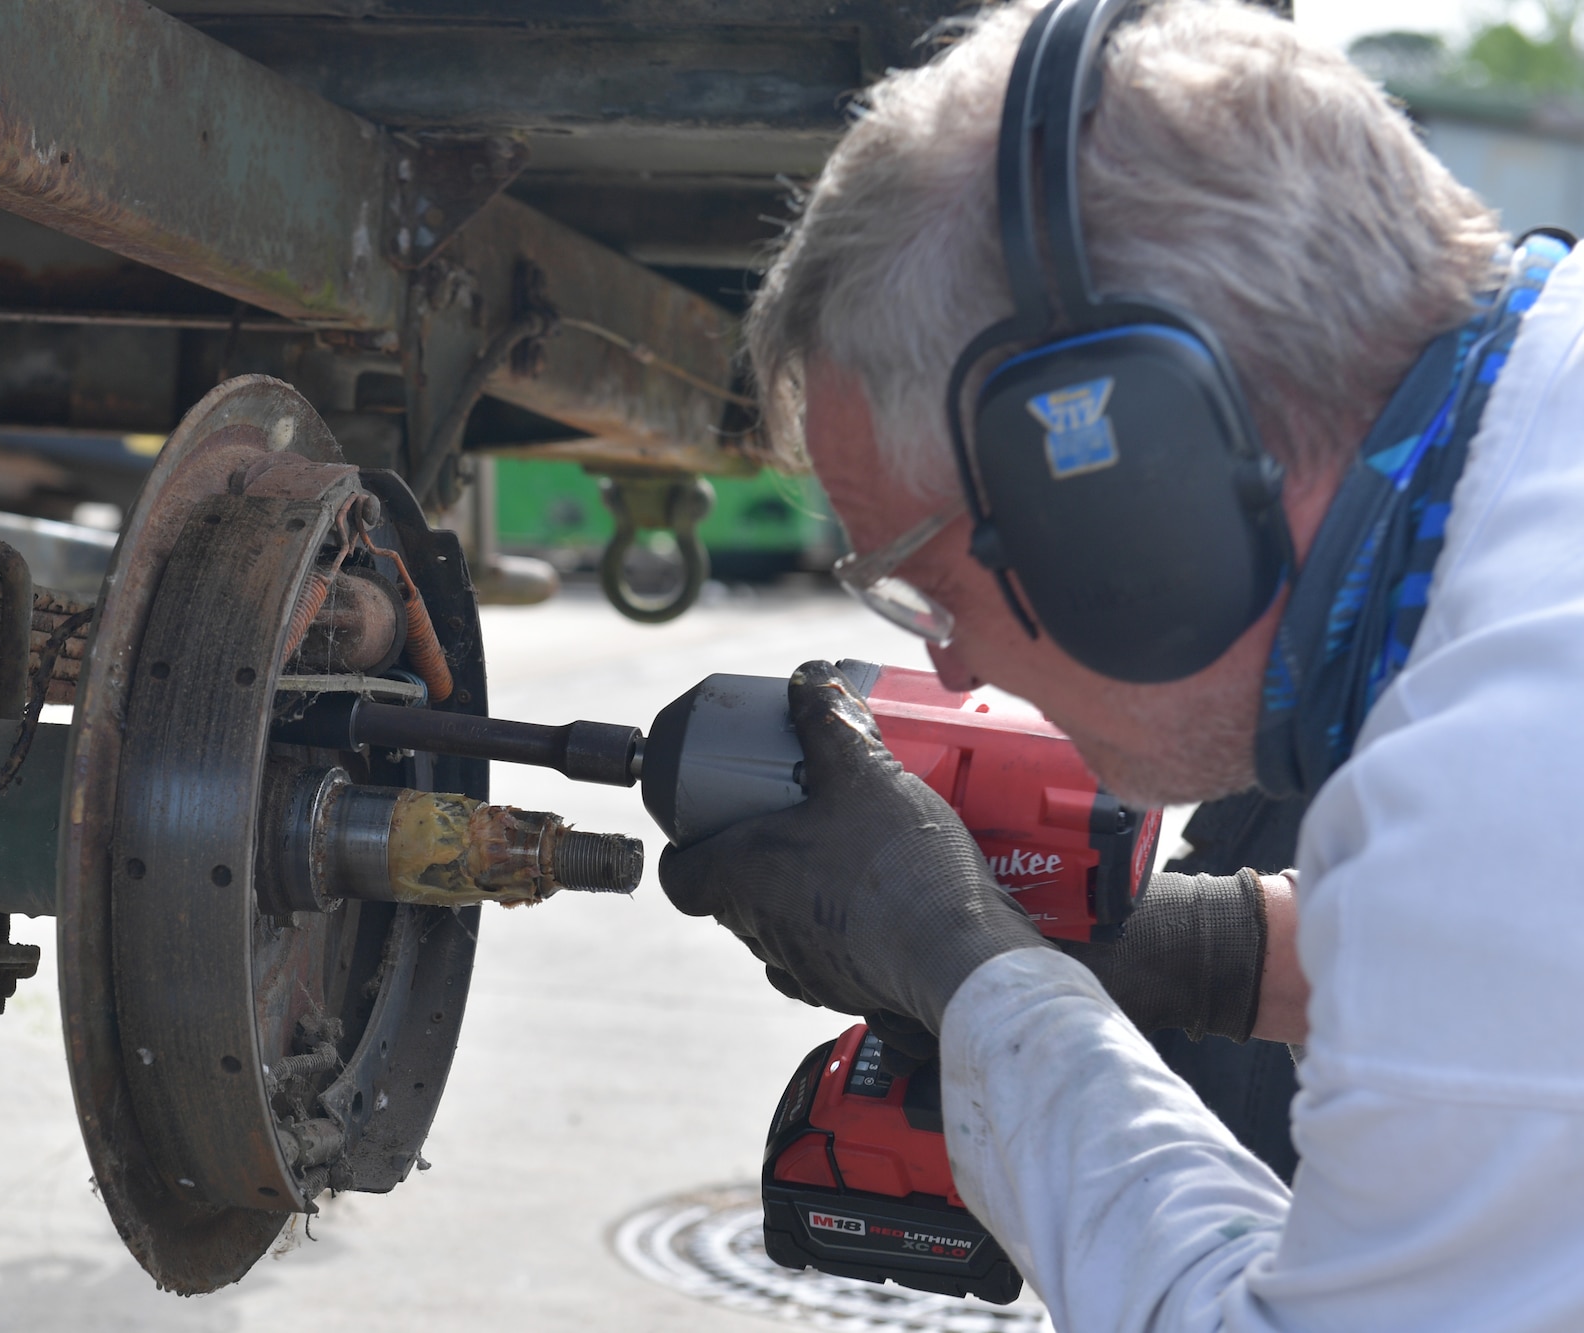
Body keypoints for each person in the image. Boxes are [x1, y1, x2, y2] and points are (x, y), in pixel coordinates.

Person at [658, 1, 1584, 1328]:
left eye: (927, 576)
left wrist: (974, 973)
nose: (947, 652)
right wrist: (1215, 954)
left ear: (1134, 498)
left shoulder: (1504, 766)